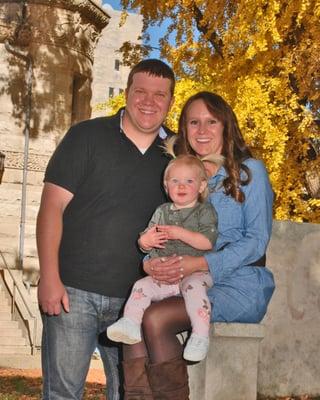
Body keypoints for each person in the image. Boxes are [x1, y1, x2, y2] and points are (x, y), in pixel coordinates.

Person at [36, 59, 175, 400]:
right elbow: (51, 208)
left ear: (171, 102)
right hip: (73, 293)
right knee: (63, 394)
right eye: (140, 91)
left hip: (138, 301)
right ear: (126, 93)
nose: (148, 101)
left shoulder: (178, 153)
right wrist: (49, 277)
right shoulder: (86, 136)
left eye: (160, 95)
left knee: (130, 394)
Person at [122, 91, 276, 400]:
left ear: (225, 127)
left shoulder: (249, 172)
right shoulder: (181, 174)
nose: (202, 131)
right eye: (194, 122)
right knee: (133, 314)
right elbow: (165, 232)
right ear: (184, 127)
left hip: (240, 283)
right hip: (187, 279)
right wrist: (151, 262)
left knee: (156, 317)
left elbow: (257, 241)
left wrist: (202, 264)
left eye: (211, 121)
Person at [107, 154, 221, 362]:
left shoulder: (204, 211)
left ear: (202, 185)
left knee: (194, 290)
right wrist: (145, 241)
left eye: (189, 181)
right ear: (166, 185)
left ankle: (200, 336)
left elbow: (207, 242)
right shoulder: (162, 211)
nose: (181, 186)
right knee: (141, 286)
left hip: (196, 273)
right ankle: (130, 322)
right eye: (175, 181)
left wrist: (180, 233)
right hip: (164, 277)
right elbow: (146, 239)